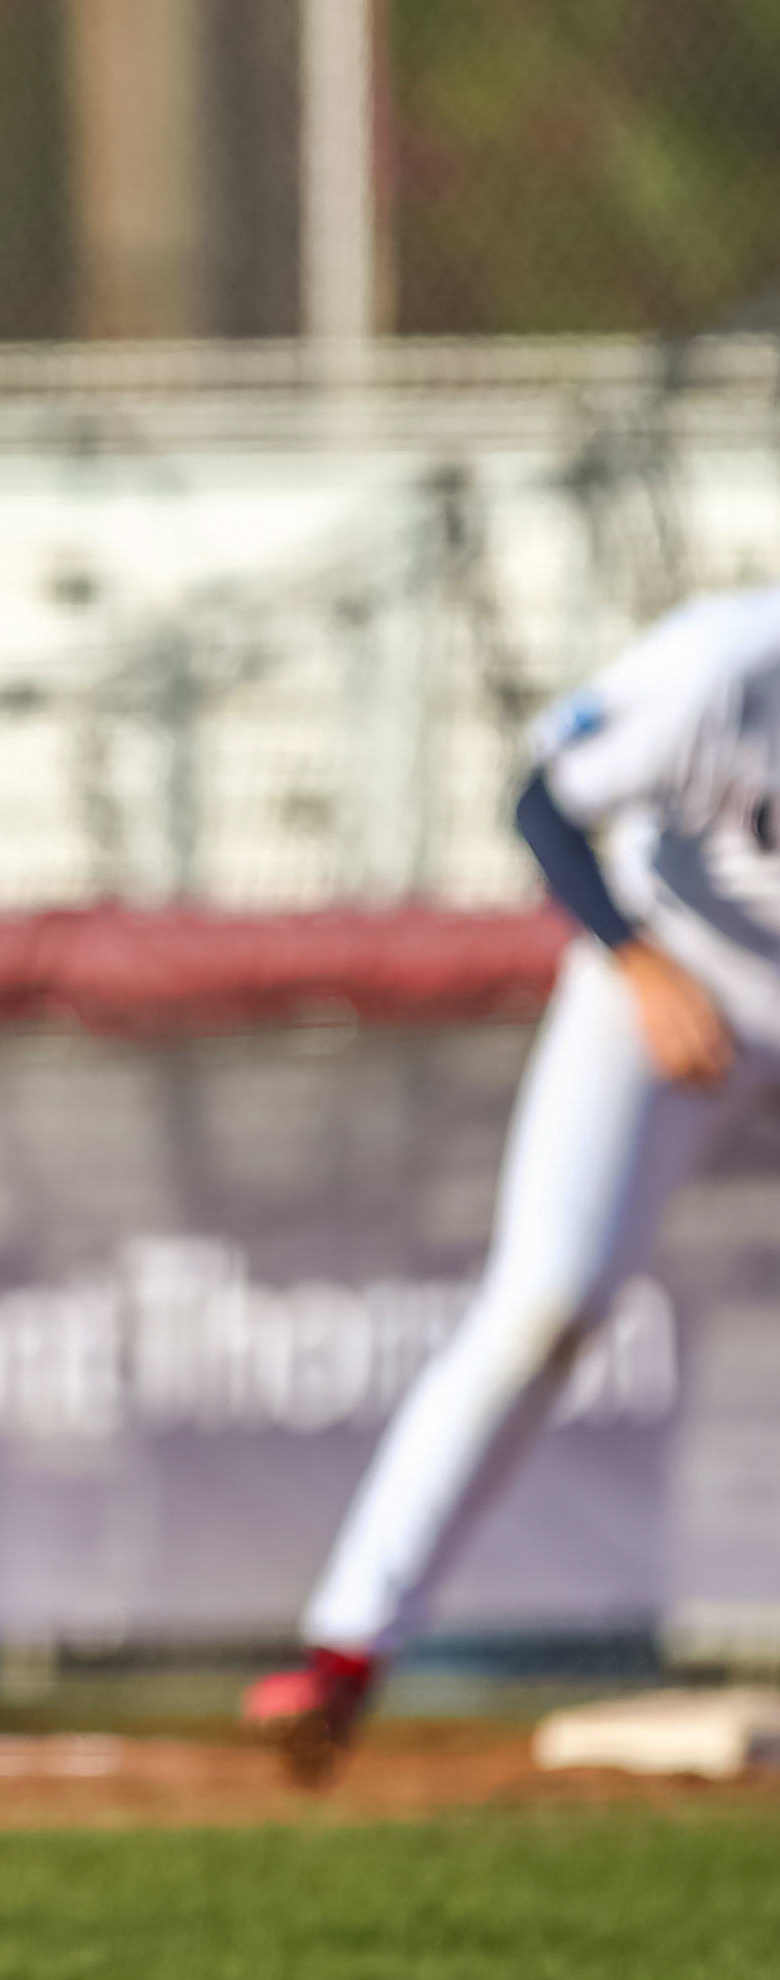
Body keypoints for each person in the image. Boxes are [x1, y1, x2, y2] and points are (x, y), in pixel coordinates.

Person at [247, 588, 780, 1783]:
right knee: (551, 1295)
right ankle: (345, 1651)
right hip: (670, 973)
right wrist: (637, 963)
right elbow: (544, 803)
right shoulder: (726, 668)